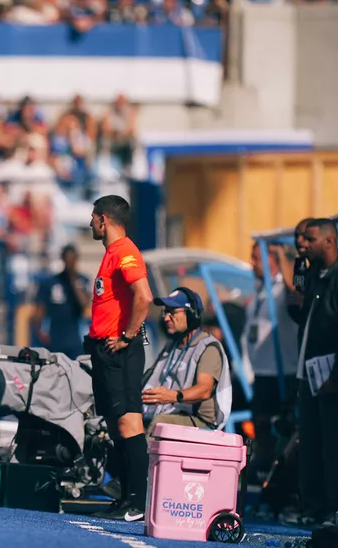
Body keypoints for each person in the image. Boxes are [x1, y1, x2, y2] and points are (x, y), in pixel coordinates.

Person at [292, 218, 338, 525]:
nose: (303, 244)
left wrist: (337, 377)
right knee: (309, 443)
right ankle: (313, 508)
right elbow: (303, 320)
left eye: (309, 239)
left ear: (328, 241)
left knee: (334, 446)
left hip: (332, 379)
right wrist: (294, 301)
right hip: (308, 375)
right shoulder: (310, 274)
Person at [84, 194, 153, 522]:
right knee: (115, 426)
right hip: (104, 351)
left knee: (129, 423)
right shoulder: (111, 253)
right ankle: (126, 498)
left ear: (104, 219)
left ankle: (138, 502)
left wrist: (127, 335)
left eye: (93, 217)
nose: (90, 223)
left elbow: (144, 296)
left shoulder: (125, 251)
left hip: (121, 351)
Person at [243, 242, 300, 480]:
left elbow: (294, 291)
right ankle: (263, 465)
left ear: (273, 261)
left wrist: (283, 256)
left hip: (283, 369)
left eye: (258, 258)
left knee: (281, 425)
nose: (252, 264)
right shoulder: (260, 289)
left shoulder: (282, 288)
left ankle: (281, 472)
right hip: (262, 370)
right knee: (260, 423)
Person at [142, 287, 230, 438]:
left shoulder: (208, 348)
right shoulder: (171, 346)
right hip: (173, 414)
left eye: (173, 312)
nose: (166, 318)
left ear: (191, 315)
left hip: (200, 422)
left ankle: (142, 461)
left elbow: (204, 389)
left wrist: (171, 396)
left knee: (160, 423)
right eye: (165, 312)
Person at [31, 244, 91, 358]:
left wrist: (73, 280)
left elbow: (85, 305)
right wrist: (39, 332)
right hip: (55, 337)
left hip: (76, 338)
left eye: (72, 259)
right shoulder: (50, 282)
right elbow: (39, 310)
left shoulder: (82, 281)